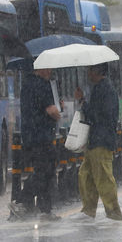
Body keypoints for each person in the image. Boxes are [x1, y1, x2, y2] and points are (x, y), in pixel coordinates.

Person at [8, 68, 62, 221]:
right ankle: (21, 201)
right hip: (42, 136)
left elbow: (36, 109)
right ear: (41, 68)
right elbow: (51, 110)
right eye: (48, 68)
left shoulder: (26, 85)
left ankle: (45, 210)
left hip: (30, 137)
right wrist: (58, 114)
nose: (51, 71)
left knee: (43, 171)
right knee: (45, 172)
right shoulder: (42, 85)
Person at [72, 63, 122, 221]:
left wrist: (82, 102)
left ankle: (113, 211)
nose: (88, 73)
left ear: (96, 71)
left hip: (102, 140)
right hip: (95, 140)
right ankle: (88, 209)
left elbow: (98, 115)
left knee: (103, 177)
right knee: (86, 174)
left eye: (90, 70)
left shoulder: (104, 89)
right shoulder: (100, 88)